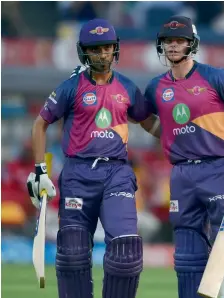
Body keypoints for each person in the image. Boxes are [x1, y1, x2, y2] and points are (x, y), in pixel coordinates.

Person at [26, 19, 159, 298]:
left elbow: (149, 123)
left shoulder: (127, 87)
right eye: (95, 48)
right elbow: (40, 124)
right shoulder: (70, 86)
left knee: (125, 253)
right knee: (73, 254)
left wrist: (186, 137)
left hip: (117, 174)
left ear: (115, 49)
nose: (102, 54)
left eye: (107, 47)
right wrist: (40, 171)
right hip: (77, 174)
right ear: (83, 51)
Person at [144, 16, 224, 298]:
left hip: (220, 170)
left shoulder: (216, 76)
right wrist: (166, 135)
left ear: (192, 44)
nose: (173, 46)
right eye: (168, 41)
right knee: (188, 256)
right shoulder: (155, 87)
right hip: (182, 176)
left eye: (179, 41)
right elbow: (140, 116)